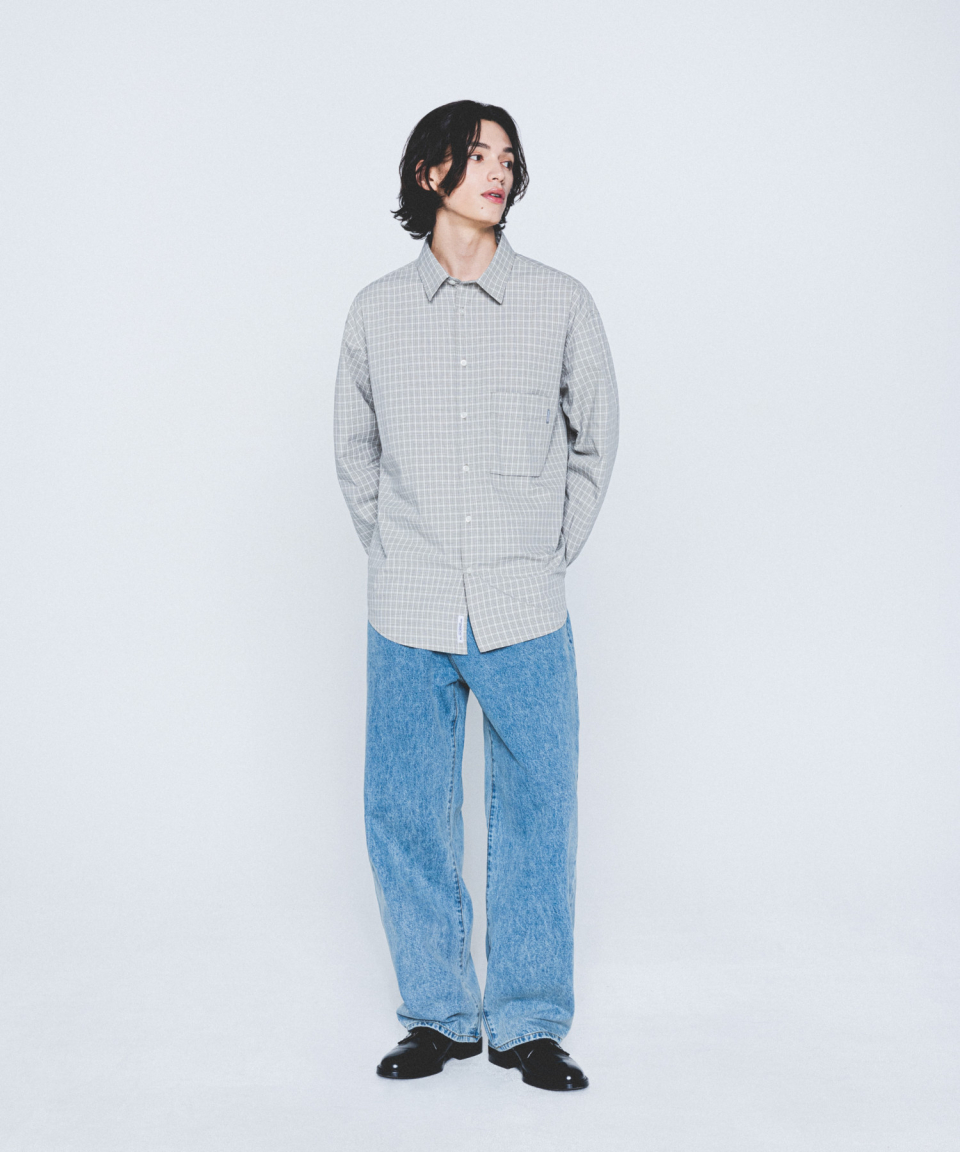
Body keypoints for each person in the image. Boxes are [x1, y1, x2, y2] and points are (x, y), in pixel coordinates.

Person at [333, 100, 618, 1092]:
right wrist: (394, 554)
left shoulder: (560, 302)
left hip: (523, 607)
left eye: (508, 157)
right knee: (406, 811)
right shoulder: (375, 312)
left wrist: (547, 554)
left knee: (538, 810)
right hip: (407, 607)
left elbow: (595, 441)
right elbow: (355, 452)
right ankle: (439, 1016)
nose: (499, 171)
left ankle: (530, 1023)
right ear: (430, 174)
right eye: (477, 155)